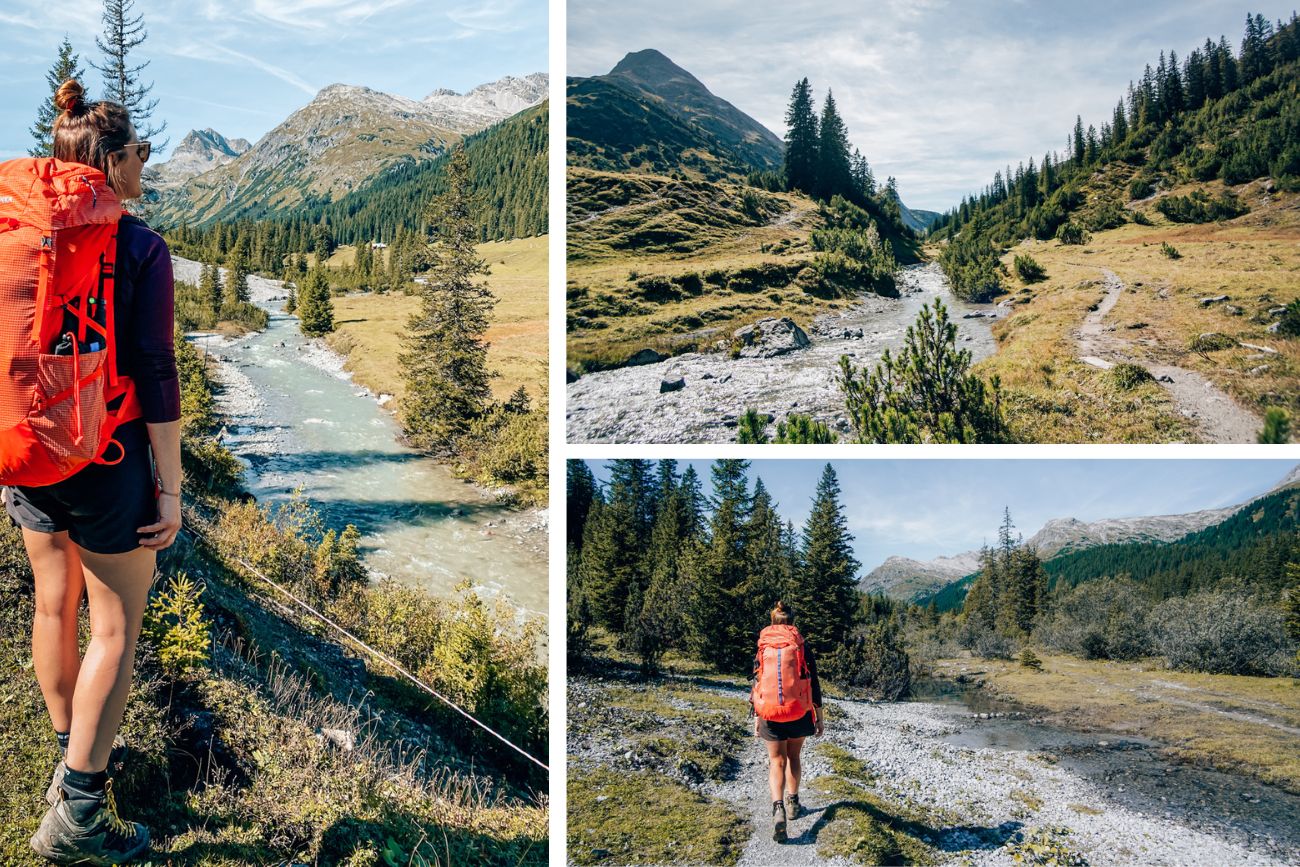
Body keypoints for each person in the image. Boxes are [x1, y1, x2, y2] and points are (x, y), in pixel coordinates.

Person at [7, 78, 182, 865]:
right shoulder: (140, 246)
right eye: (140, 151)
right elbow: (154, 370)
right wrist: (171, 486)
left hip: (24, 448)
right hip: (105, 457)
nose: (146, 162)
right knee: (115, 624)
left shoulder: (22, 231)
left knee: (54, 605)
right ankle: (79, 813)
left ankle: (67, 755)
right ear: (112, 161)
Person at [751, 600, 823, 843]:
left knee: (776, 760)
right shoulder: (800, 643)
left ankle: (778, 807)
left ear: (773, 621)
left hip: (770, 711)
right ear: (792, 621)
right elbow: (813, 681)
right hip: (798, 710)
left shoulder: (763, 643)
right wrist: (819, 717)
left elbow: (757, 679)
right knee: (794, 757)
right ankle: (793, 802)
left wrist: (757, 715)